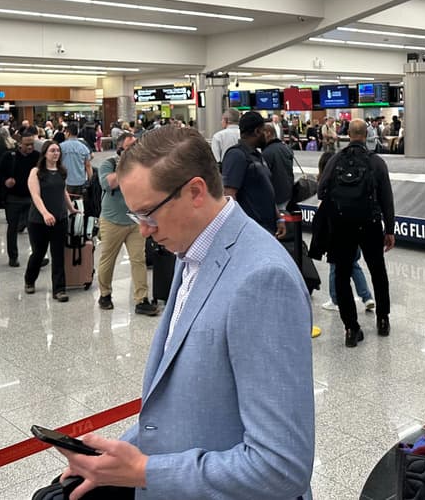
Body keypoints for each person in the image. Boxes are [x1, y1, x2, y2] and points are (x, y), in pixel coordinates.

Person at [56, 126, 313, 500]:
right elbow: (195, 400)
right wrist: (115, 456)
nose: (143, 230)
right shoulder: (191, 248)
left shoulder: (262, 279)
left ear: (195, 191)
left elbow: (280, 467)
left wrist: (144, 471)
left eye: (148, 213)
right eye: (135, 216)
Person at [317, 119, 395, 347]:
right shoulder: (376, 162)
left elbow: (322, 191)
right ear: (366, 135)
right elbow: (386, 199)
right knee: (377, 271)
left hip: (342, 226)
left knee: (341, 274)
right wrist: (389, 229)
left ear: (348, 134)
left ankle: (351, 328)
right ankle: (382, 320)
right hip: (370, 224)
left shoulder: (335, 160)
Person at [94, 132, 160, 315]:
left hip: (135, 220)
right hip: (112, 220)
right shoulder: (109, 164)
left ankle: (141, 300)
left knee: (138, 260)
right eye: (130, 146)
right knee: (108, 259)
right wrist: (127, 166)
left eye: (136, 146)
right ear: (120, 148)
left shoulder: (142, 165)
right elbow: (108, 184)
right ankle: (105, 294)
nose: (135, 149)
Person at [24, 140, 78, 301]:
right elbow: (35, 195)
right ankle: (29, 280)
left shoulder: (61, 171)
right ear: (45, 153)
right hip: (38, 221)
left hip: (60, 219)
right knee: (39, 253)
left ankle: (59, 289)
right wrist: (45, 213)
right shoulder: (36, 172)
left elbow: (64, 191)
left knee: (58, 254)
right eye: (52, 151)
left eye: (57, 151)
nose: (56, 153)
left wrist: (71, 209)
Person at [222, 112, 285, 237]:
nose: (266, 135)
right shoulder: (237, 155)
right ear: (257, 132)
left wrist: (278, 218)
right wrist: (240, 227)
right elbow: (229, 195)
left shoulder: (257, 155)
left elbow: (266, 190)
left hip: (266, 227)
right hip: (251, 229)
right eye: (263, 131)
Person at [0, 133, 40, 267]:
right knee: (13, 228)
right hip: (13, 198)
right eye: (27, 144)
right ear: (19, 144)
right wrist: (5, 181)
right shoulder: (9, 156)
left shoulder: (37, 157)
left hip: (31, 198)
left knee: (34, 228)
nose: (30, 147)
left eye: (32, 144)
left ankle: (37, 255)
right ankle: (13, 257)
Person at [261, 124, 294, 214]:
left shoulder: (267, 152)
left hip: (276, 195)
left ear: (268, 133)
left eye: (261, 133)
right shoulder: (285, 147)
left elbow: (264, 177)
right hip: (287, 192)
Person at [59, 122, 93, 196]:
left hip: (66, 181)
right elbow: (88, 165)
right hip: (80, 181)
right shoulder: (84, 147)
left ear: (68, 133)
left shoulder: (61, 147)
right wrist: (91, 181)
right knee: (79, 203)